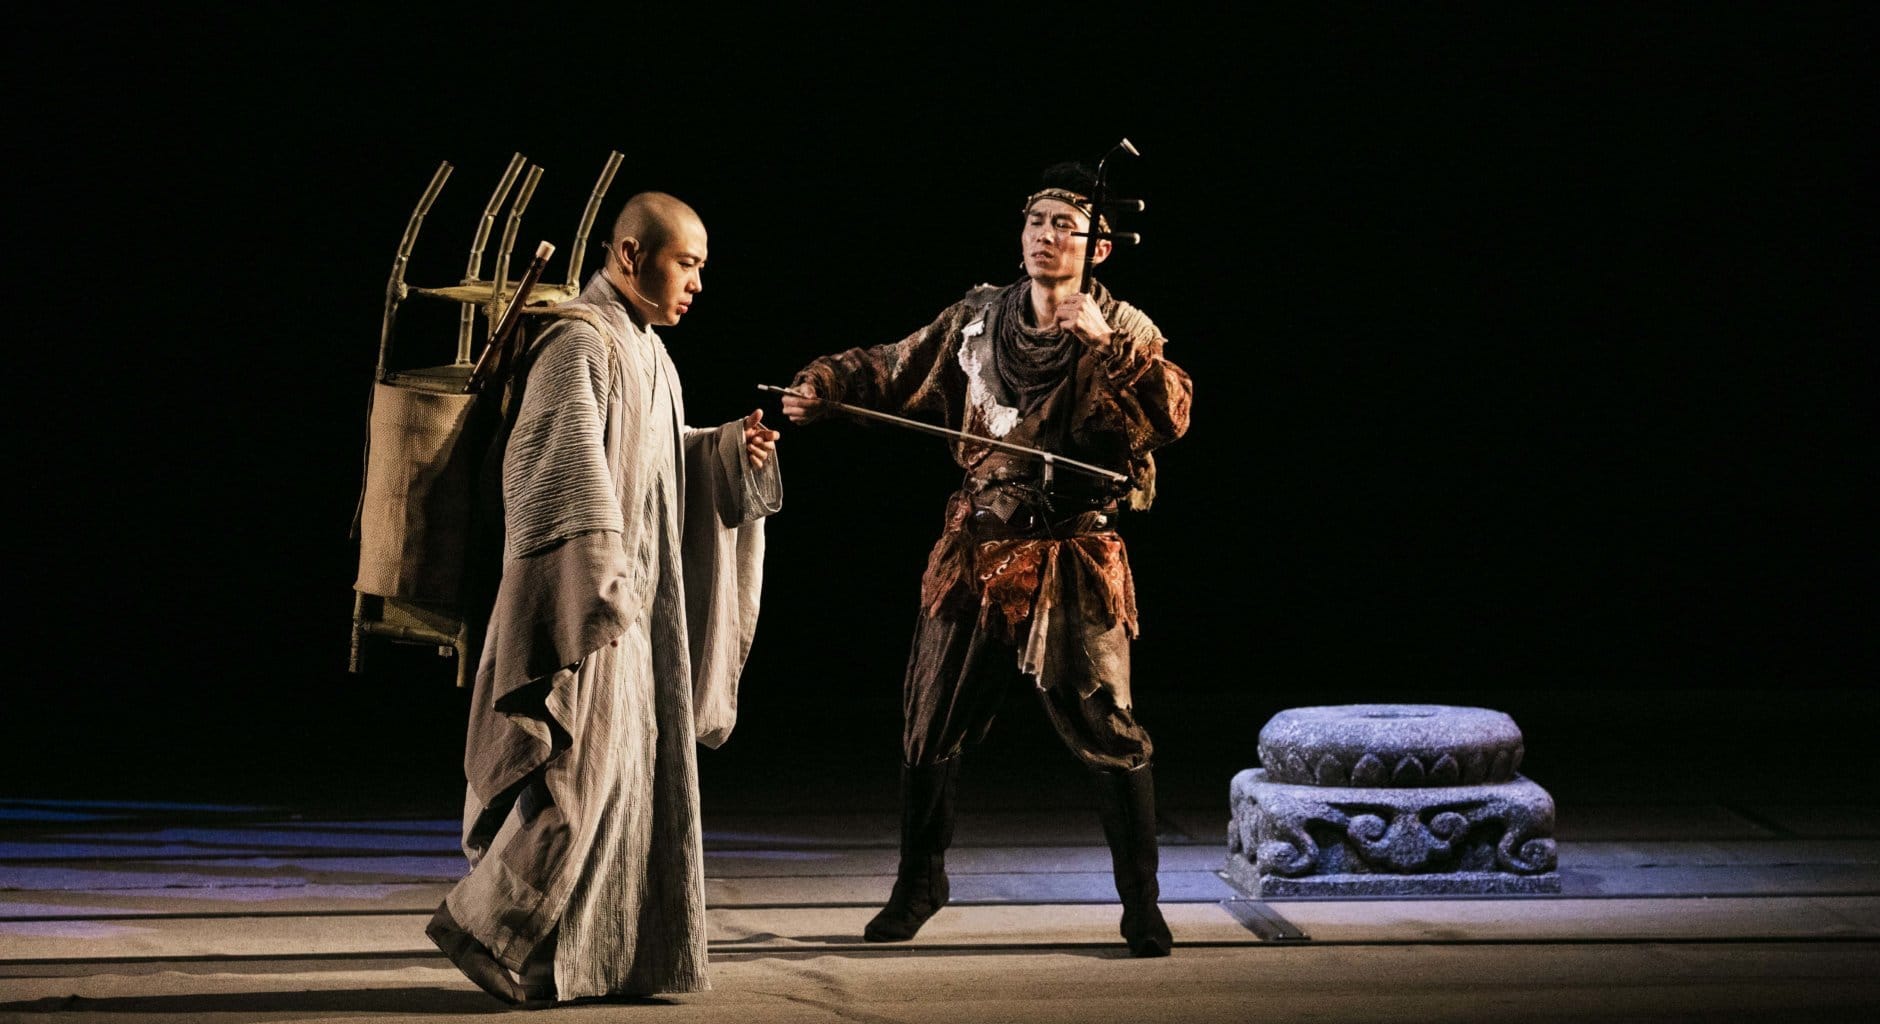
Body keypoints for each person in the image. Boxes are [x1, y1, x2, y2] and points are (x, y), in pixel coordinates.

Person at [780, 162, 1192, 957]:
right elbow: (894, 365)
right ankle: (919, 883)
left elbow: (1170, 417)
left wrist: (1110, 351)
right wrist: (826, 382)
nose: (1047, 236)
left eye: (1066, 225)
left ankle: (1142, 904)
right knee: (929, 714)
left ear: (1100, 248)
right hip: (978, 544)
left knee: (1106, 723)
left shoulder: (1127, 328)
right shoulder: (978, 318)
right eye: (1037, 221)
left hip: (1072, 550)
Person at [427, 191, 783, 1005]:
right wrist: (595, 589)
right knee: (576, 778)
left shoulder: (649, 351)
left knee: (628, 783)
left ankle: (589, 959)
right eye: (685, 263)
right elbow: (558, 468)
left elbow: (658, 461)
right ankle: (487, 932)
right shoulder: (576, 342)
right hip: (589, 600)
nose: (696, 283)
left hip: (641, 608)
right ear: (629, 255)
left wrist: (726, 450)